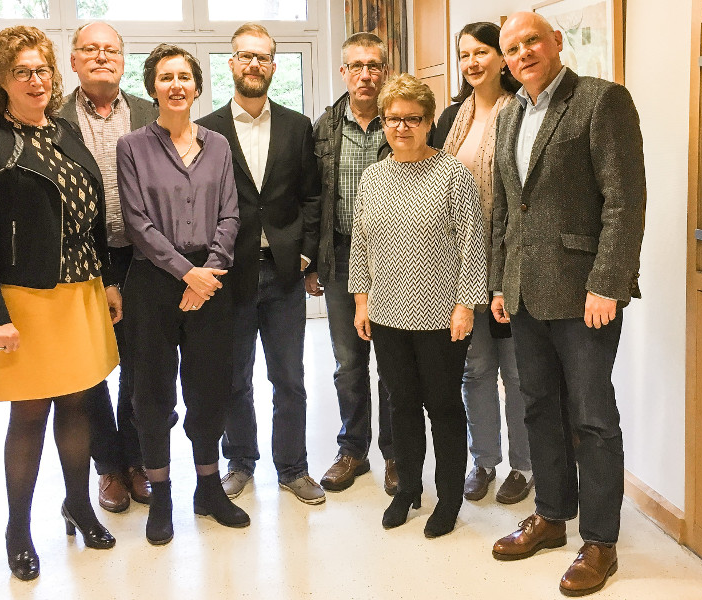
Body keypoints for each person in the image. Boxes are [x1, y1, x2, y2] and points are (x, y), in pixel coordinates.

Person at [489, 12, 646, 597]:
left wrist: (608, 282)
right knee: (537, 409)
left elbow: (624, 201)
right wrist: (502, 283)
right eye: (513, 46)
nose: (523, 52)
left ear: (557, 43)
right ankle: (552, 516)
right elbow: (507, 208)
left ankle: (600, 540)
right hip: (526, 292)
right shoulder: (510, 114)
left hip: (586, 296)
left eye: (533, 40)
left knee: (591, 417)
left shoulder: (602, 102)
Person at [0, 25, 119, 581]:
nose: (35, 80)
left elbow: (91, 217)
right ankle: (18, 529)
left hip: (79, 292)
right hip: (24, 299)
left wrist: (109, 281)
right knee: (29, 414)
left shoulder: (67, 132)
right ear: (1, 80)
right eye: (22, 71)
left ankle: (78, 503)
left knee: (79, 405)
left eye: (42, 69)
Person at [117, 43, 248, 545]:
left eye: (184, 77)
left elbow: (231, 215)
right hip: (153, 281)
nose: (176, 85)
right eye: (166, 77)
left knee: (210, 387)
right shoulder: (132, 146)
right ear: (153, 88)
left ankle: (209, 488)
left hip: (211, 281)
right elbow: (137, 222)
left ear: (196, 87)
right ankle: (162, 494)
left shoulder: (218, 144)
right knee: (151, 392)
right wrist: (184, 274)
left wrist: (209, 271)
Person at [350, 73, 486, 538]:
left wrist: (466, 304)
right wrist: (361, 300)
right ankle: (408, 488)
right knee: (401, 404)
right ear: (384, 123)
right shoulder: (373, 176)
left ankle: (447, 500)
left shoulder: (453, 175)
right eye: (393, 119)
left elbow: (473, 245)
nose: (402, 127)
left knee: (444, 407)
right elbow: (362, 244)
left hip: (440, 316)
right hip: (387, 315)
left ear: (430, 122)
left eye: (413, 119)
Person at [197, 24, 324, 505]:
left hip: (285, 273)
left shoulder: (298, 126)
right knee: (234, 377)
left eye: (263, 57)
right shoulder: (207, 130)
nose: (254, 65)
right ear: (230, 63)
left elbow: (312, 195)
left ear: (274, 65)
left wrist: (307, 251)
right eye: (245, 56)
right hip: (231, 273)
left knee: (289, 378)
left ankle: (293, 467)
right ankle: (240, 462)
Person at [59, 21, 158, 514]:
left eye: (111, 50)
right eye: (90, 49)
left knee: (139, 367)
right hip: (78, 261)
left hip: (141, 257)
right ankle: (108, 468)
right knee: (90, 369)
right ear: (73, 60)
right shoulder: (53, 120)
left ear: (123, 60)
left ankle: (139, 460)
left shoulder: (148, 112)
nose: (102, 56)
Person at [434, 22, 533, 505]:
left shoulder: (523, 112)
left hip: (509, 261)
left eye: (482, 52)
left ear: (502, 58)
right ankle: (485, 460)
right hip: (460, 264)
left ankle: (524, 465)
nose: (472, 62)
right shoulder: (455, 116)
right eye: (464, 55)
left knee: (516, 373)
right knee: (474, 371)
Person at [311, 33, 397, 495]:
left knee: (393, 362)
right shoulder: (323, 128)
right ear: (343, 72)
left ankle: (397, 454)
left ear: (384, 71)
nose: (366, 74)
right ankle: (353, 450)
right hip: (342, 257)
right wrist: (312, 262)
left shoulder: (401, 121)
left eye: (374, 66)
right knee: (349, 362)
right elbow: (313, 199)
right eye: (357, 66)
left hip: (399, 261)